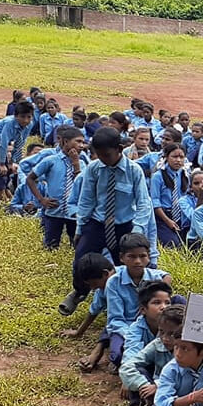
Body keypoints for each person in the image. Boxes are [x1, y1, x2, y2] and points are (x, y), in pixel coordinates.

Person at [60, 128, 151, 316]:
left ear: (119, 149)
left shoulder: (134, 171)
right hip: (98, 222)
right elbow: (86, 199)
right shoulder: (94, 168)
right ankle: (79, 292)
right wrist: (80, 228)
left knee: (131, 264)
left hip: (124, 225)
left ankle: (133, 301)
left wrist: (137, 231)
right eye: (99, 155)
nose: (103, 158)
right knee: (81, 259)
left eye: (106, 155)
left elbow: (143, 203)